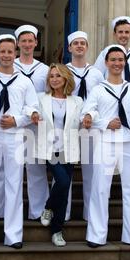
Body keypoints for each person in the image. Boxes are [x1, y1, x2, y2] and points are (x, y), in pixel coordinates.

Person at [0, 34, 40, 249]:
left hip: (14, 136)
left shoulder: (24, 80)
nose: (6, 55)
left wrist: (17, 120)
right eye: (2, 51)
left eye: (9, 52)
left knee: (14, 182)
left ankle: (13, 234)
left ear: (15, 54)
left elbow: (33, 108)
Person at [82, 45, 130, 248]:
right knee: (100, 189)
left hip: (128, 144)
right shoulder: (98, 89)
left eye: (120, 60)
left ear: (124, 63)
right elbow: (86, 115)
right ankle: (96, 234)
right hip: (106, 143)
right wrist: (103, 123)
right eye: (113, 60)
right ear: (106, 63)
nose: (117, 63)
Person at [95, 16, 130, 201]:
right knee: (107, 153)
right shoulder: (105, 54)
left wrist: (128, 96)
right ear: (115, 34)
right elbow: (97, 78)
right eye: (120, 32)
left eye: (127, 32)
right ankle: (105, 188)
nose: (123, 35)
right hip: (109, 108)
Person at [33, 64, 85, 246]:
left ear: (66, 79)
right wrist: (31, 114)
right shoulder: (41, 98)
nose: (54, 79)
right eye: (51, 76)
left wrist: (89, 118)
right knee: (62, 182)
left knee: (64, 190)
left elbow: (84, 116)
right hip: (49, 148)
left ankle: (57, 231)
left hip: (68, 148)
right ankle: (48, 207)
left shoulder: (77, 101)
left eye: (58, 76)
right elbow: (29, 109)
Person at [13, 25, 51, 222]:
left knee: (36, 169)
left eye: (31, 40)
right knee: (11, 170)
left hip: (36, 126)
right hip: (15, 125)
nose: (27, 44)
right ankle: (6, 212)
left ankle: (37, 211)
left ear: (36, 43)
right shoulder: (10, 66)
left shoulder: (44, 70)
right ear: (18, 43)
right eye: (23, 41)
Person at [66, 31, 104, 221]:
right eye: (76, 43)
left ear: (87, 47)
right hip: (67, 126)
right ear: (69, 48)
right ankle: (63, 213)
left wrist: (92, 116)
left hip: (91, 126)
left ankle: (90, 214)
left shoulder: (97, 73)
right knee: (64, 171)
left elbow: (101, 100)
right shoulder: (63, 71)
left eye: (83, 43)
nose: (79, 46)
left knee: (91, 170)